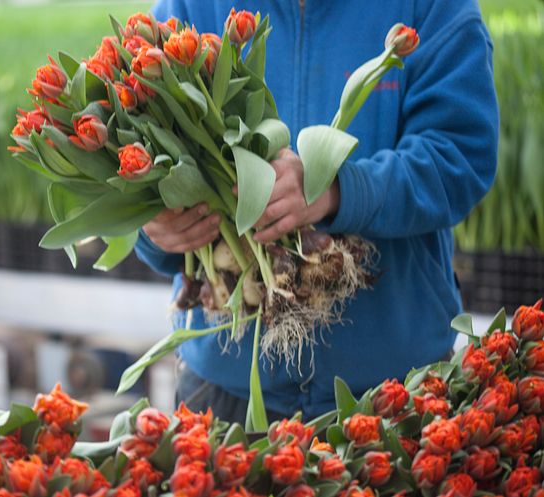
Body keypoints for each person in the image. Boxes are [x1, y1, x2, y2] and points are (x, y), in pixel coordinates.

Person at [135, 0, 499, 423]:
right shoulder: (191, 7)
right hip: (225, 385)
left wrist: (340, 189)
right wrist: (157, 227)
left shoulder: (433, 7)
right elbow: (141, 167)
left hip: (396, 388)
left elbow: (460, 157)